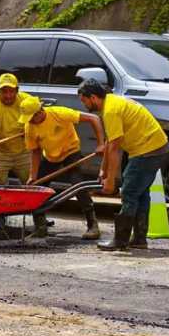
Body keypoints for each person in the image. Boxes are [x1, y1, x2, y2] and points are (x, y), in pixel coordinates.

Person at [78, 79, 169, 251]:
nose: (84, 105)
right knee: (140, 193)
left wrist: (110, 180)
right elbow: (109, 141)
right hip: (157, 147)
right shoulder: (112, 103)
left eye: (84, 101)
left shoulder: (111, 110)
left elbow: (114, 148)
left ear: (93, 97)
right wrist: (103, 170)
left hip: (148, 150)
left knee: (129, 191)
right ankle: (139, 239)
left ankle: (120, 240)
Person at [18, 95, 106, 239]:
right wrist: (32, 176)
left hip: (71, 152)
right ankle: (40, 226)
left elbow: (93, 118)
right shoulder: (30, 126)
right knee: (37, 187)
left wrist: (101, 143)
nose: (30, 121)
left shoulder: (59, 113)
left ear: (40, 112)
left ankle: (93, 225)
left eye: (32, 117)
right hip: (51, 156)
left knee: (78, 185)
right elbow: (35, 151)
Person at [0, 73, 32, 185]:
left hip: (23, 151)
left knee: (32, 184)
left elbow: (40, 115)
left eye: (11, 91)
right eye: (4, 91)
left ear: (17, 90)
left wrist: (32, 130)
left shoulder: (27, 100)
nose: (8, 95)